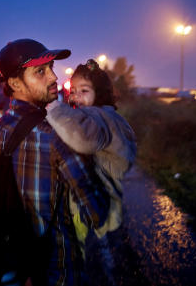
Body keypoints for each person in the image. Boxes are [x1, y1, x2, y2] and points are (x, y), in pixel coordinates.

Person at [0, 39, 112, 286]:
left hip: (13, 268)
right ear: (14, 83)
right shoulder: (59, 136)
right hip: (57, 272)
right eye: (40, 72)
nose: (53, 77)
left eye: (51, 68)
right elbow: (99, 212)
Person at [46, 59, 137, 253]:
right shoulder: (108, 116)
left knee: (76, 251)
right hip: (105, 196)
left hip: (95, 202)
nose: (77, 97)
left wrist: (53, 109)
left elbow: (82, 138)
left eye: (84, 91)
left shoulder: (98, 117)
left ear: (101, 94)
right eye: (74, 91)